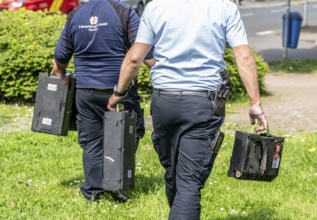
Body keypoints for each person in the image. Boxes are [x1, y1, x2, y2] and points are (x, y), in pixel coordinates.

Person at [107, 0, 268, 219]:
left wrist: (119, 92)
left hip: (165, 101)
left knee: (174, 174)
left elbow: (135, 57)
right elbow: (244, 56)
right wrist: (255, 104)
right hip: (203, 103)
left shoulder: (156, 7)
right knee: (189, 182)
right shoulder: (224, 7)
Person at [52, 0, 154, 202]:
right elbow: (144, 52)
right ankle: (116, 183)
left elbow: (60, 55)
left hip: (86, 91)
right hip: (120, 90)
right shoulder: (125, 12)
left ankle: (93, 191)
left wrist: (61, 73)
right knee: (128, 134)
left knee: (91, 140)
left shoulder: (75, 14)